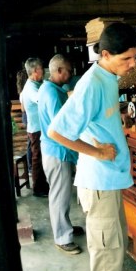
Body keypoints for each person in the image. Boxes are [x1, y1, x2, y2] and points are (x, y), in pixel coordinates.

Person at [48, 22, 136, 271]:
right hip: (98, 181)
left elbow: (99, 117)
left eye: (134, 57)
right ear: (105, 54)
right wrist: (99, 153)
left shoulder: (108, 78)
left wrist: (121, 116)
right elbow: (57, 132)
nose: (133, 64)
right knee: (106, 243)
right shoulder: (92, 83)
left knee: (116, 238)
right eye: (127, 58)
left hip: (111, 179)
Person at [38, 54, 83, 255]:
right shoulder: (52, 94)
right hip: (57, 152)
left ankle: (66, 228)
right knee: (60, 196)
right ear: (58, 71)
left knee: (60, 194)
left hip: (53, 150)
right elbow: (61, 126)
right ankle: (62, 238)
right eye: (68, 71)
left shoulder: (51, 88)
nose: (71, 74)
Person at [21, 57, 49, 197]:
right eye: (40, 69)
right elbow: (42, 100)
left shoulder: (37, 83)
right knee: (37, 158)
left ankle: (43, 185)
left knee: (41, 157)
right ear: (34, 71)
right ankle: (38, 188)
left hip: (39, 127)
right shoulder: (31, 88)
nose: (43, 71)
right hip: (36, 129)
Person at [16, 64, 32, 174]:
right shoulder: (25, 92)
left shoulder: (22, 92)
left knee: (30, 142)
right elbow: (23, 108)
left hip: (25, 116)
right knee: (31, 142)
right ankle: (30, 167)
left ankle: (31, 166)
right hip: (27, 116)